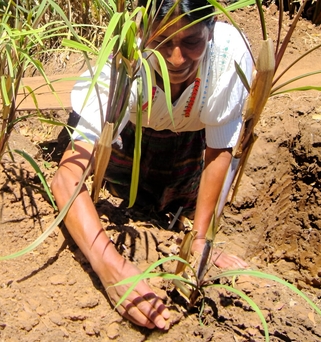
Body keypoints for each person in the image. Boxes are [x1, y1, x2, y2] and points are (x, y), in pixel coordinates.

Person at [50, 0, 252, 330]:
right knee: (123, 196)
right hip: (125, 135)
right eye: (163, 41)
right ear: (143, 32)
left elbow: (218, 154)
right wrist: (111, 267)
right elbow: (66, 179)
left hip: (186, 139)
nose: (176, 59)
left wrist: (200, 242)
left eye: (192, 42)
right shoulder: (120, 66)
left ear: (211, 28)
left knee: (169, 210)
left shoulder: (228, 57)